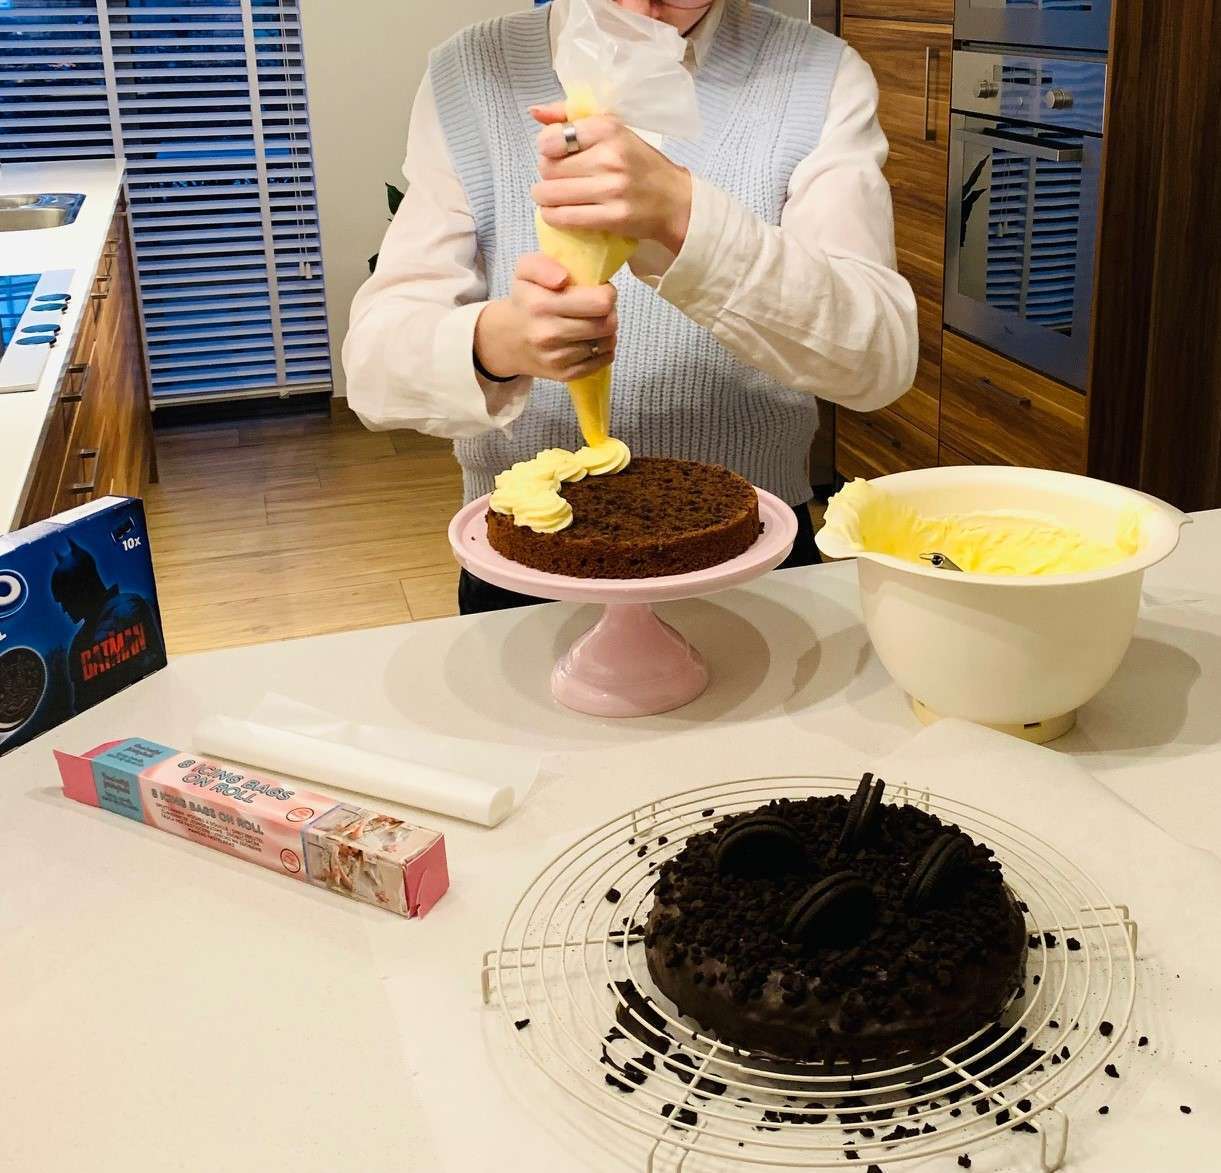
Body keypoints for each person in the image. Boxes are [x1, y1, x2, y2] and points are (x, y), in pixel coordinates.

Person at [344, 0, 919, 614]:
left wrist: (682, 214)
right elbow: (376, 369)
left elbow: (876, 357)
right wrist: (500, 342)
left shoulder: (818, 77)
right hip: (528, 566)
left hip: (753, 561)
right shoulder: (471, 73)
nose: (644, 4)